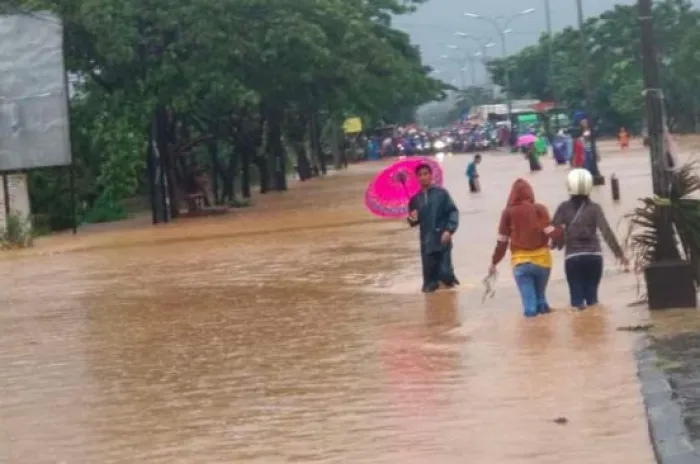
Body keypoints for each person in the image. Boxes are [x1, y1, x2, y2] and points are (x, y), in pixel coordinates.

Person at [551, 169, 628, 310]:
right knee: (593, 300)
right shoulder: (595, 208)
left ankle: (581, 329)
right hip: (594, 257)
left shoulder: (563, 208)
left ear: (569, 186)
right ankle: (595, 327)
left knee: (576, 302)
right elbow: (606, 232)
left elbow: (554, 231)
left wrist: (556, 244)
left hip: (573, 258)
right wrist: (619, 254)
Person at [488, 179, 558, 317]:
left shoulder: (508, 213)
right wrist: (557, 242)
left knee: (530, 307)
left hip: (521, 263)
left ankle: (530, 334)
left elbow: (502, 241)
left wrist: (494, 262)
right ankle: (546, 334)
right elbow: (550, 232)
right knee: (541, 302)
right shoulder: (540, 209)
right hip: (543, 262)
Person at [408, 163, 460, 293]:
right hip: (426, 242)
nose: (423, 177)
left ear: (431, 175)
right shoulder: (415, 199)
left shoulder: (441, 193)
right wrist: (412, 218)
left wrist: (449, 230)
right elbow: (414, 222)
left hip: (442, 239)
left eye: (426, 174)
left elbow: (453, 212)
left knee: (445, 273)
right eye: (420, 175)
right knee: (429, 285)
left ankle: (451, 295)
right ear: (417, 178)